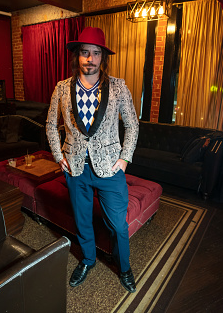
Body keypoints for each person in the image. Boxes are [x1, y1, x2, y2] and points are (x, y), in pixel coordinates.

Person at [45, 27, 139, 293]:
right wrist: (57, 155)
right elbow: (51, 125)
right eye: (84, 52)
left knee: (118, 225)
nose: (90, 58)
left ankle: (124, 267)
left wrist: (124, 159)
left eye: (95, 53)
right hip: (75, 167)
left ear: (102, 57)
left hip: (110, 169)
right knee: (82, 219)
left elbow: (132, 125)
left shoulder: (118, 87)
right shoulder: (62, 88)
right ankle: (88, 260)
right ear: (77, 56)